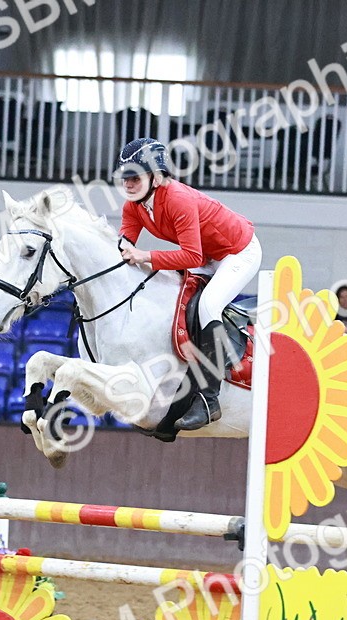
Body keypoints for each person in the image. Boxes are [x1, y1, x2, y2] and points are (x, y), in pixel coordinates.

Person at [116, 137, 262, 432]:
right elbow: (124, 246)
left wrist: (145, 256)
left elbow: (191, 255)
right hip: (208, 255)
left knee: (208, 306)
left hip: (237, 251)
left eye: (135, 177)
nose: (128, 184)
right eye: (125, 177)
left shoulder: (177, 199)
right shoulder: (134, 206)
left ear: (156, 177)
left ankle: (209, 399)